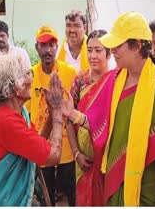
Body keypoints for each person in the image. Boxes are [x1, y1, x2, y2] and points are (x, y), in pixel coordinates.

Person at [61, 11, 155, 206]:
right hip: (112, 178)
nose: (112, 50)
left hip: (146, 187)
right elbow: (99, 123)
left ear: (137, 46)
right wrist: (73, 115)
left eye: (118, 45)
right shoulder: (115, 79)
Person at [0, 52, 64, 206]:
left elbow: (36, 143)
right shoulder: (6, 122)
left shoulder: (13, 114)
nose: (31, 79)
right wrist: (58, 109)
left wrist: (51, 113)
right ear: (15, 86)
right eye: (27, 74)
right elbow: (53, 156)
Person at [25, 26, 77, 206]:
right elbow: (27, 113)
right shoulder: (29, 76)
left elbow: (75, 110)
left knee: (71, 197)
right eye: (43, 45)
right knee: (47, 199)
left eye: (51, 45)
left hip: (67, 149)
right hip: (42, 148)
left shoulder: (70, 72)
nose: (48, 50)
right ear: (36, 47)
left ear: (57, 47)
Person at [65, 29, 111, 206]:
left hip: (107, 159)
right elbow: (69, 118)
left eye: (98, 50)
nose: (92, 55)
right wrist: (76, 154)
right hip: (83, 160)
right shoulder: (80, 80)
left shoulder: (117, 80)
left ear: (109, 53)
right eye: (89, 50)